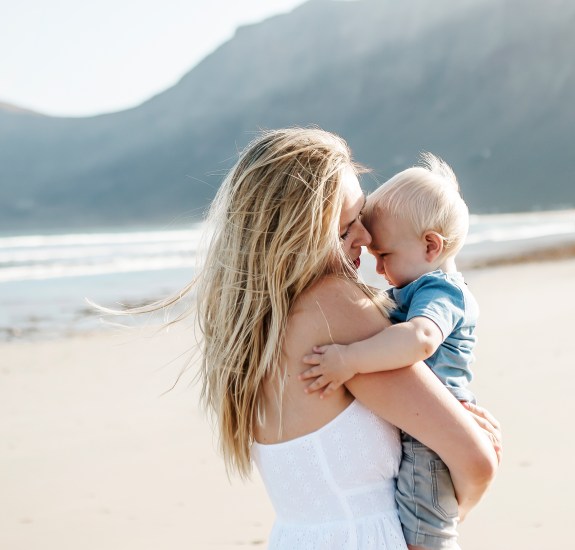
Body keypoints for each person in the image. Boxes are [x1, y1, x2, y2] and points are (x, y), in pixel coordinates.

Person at [125, 128, 500, 549]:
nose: (366, 237)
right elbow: (477, 462)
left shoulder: (254, 327)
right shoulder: (333, 307)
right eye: (344, 230)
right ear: (294, 238)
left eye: (360, 218)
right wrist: (446, 513)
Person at [299, 153, 477, 549]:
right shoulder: (414, 287)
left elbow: (420, 340)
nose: (377, 269)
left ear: (431, 245)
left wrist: (349, 359)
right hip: (426, 427)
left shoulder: (440, 292)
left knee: (426, 535)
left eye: (385, 256)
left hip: (430, 441)